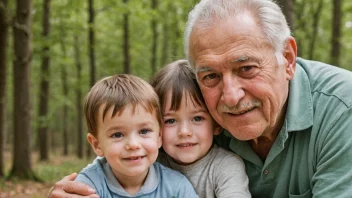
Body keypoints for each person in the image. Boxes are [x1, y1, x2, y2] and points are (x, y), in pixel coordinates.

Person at [49, 0, 352, 197]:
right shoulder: (196, 121)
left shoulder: (343, 108)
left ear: (286, 58)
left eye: (246, 68)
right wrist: (74, 190)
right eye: (210, 76)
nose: (231, 97)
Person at [70, 74, 198, 198]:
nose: (133, 145)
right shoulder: (88, 187)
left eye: (144, 131)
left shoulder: (177, 186)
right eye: (117, 134)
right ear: (97, 145)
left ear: (159, 137)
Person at [150, 59, 251, 198]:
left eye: (197, 118)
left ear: (216, 124)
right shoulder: (151, 165)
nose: (184, 132)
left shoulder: (225, 166)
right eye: (170, 120)